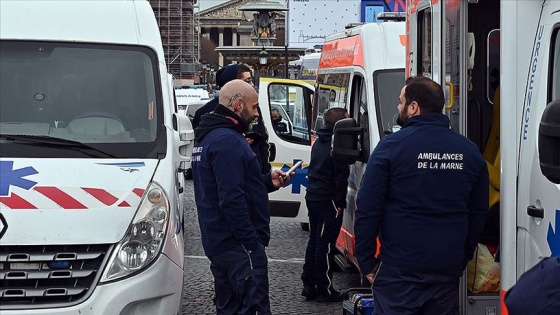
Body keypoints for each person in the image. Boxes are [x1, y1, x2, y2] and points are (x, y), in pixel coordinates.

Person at [354, 76, 489, 315]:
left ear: (413, 107)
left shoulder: (390, 147)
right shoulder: (469, 151)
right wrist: (462, 257)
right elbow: (478, 212)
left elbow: (367, 208)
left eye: (400, 102)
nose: (398, 107)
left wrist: (365, 260)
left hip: (400, 270)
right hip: (445, 270)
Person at [191, 79, 288, 315]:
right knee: (252, 307)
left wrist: (265, 182)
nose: (256, 114)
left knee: (229, 308)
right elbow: (231, 198)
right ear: (237, 104)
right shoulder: (227, 141)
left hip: (219, 241)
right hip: (237, 246)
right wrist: (251, 241)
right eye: (254, 107)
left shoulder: (208, 137)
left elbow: (222, 186)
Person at [301, 107, 350, 303]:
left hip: (313, 196)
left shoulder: (319, 142)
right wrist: (339, 203)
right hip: (327, 200)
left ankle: (309, 284)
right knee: (326, 245)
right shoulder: (336, 145)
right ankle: (324, 289)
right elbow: (340, 177)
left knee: (314, 241)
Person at [192, 64, 254, 130]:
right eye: (247, 81)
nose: (252, 85)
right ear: (232, 84)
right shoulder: (205, 112)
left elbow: (262, 134)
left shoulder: (252, 107)